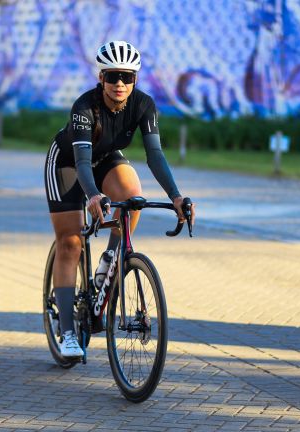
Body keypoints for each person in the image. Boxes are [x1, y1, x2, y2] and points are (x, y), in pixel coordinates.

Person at [44, 40, 195, 358]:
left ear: (135, 80)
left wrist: (176, 196)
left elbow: (154, 155)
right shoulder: (85, 107)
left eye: (127, 77)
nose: (119, 84)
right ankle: (69, 334)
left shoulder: (144, 105)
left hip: (108, 157)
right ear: (101, 78)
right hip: (69, 163)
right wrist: (94, 195)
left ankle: (111, 258)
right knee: (70, 241)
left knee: (133, 197)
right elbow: (83, 162)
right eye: (112, 76)